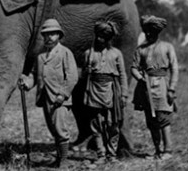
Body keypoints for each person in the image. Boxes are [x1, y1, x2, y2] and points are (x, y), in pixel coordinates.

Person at [19, 18, 78, 169]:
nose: (49, 37)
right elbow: (34, 75)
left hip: (59, 98)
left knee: (60, 129)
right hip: (45, 97)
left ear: (59, 35)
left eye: (52, 34)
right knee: (53, 129)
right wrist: (27, 83)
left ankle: (64, 161)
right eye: (46, 34)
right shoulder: (40, 56)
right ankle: (59, 158)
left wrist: (63, 94)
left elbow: (72, 76)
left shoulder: (65, 53)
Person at [131, 15, 179, 160]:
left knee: (163, 117)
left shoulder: (167, 47)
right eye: (147, 31)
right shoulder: (141, 49)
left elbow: (174, 68)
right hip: (146, 87)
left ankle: (168, 150)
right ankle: (157, 150)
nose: (149, 34)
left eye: (152, 31)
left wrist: (171, 88)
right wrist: (140, 79)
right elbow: (133, 67)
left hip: (163, 86)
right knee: (151, 119)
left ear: (158, 32)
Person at [81, 20, 128, 164]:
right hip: (94, 91)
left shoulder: (116, 54)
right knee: (96, 124)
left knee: (112, 124)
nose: (100, 39)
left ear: (109, 39)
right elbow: (83, 75)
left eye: (103, 37)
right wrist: (86, 71)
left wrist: (124, 94)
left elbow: (122, 74)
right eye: (98, 36)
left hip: (112, 91)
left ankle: (111, 155)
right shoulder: (89, 53)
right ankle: (101, 154)